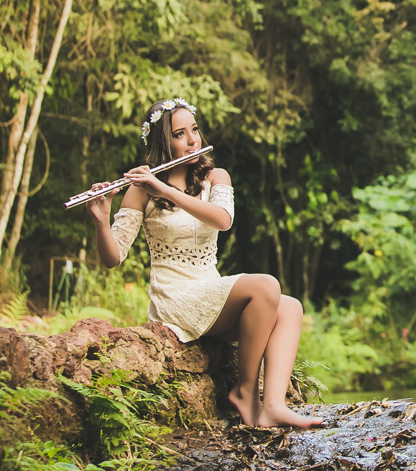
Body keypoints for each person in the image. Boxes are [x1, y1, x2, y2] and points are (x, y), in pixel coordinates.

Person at [85, 97, 322, 429]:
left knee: (291, 307)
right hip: (175, 296)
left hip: (210, 289)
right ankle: (245, 393)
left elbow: (223, 220)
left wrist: (166, 191)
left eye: (193, 130)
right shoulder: (141, 191)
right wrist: (100, 218)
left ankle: (273, 405)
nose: (192, 139)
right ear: (162, 143)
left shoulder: (216, 177)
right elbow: (113, 258)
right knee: (267, 286)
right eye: (180, 134)